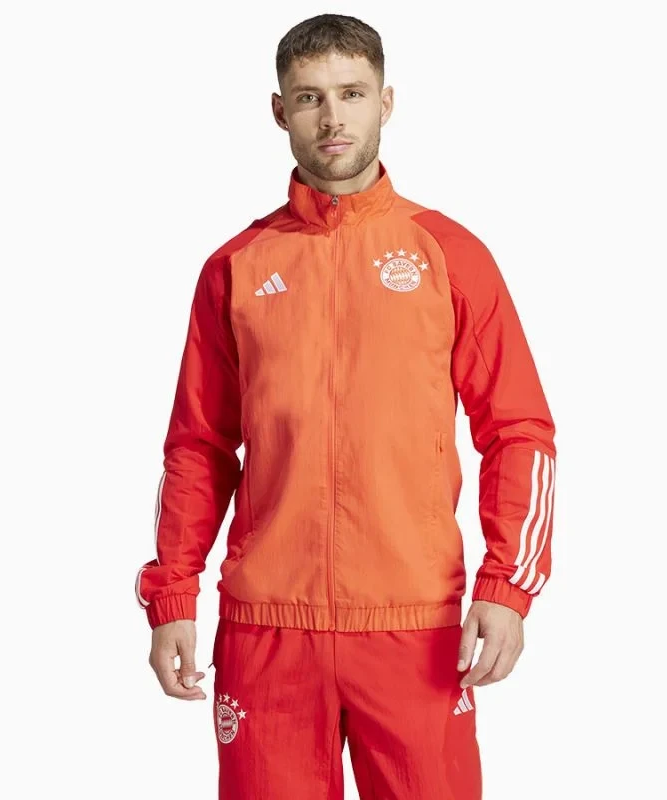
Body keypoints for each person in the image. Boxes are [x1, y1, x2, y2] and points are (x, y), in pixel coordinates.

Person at [135, 12, 556, 800]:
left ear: (386, 102)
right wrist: (172, 594)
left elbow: (519, 430)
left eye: (352, 93)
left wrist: (508, 587)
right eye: (310, 98)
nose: (332, 118)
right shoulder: (235, 267)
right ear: (280, 110)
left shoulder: (449, 254)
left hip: (414, 624)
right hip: (267, 628)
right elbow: (197, 446)